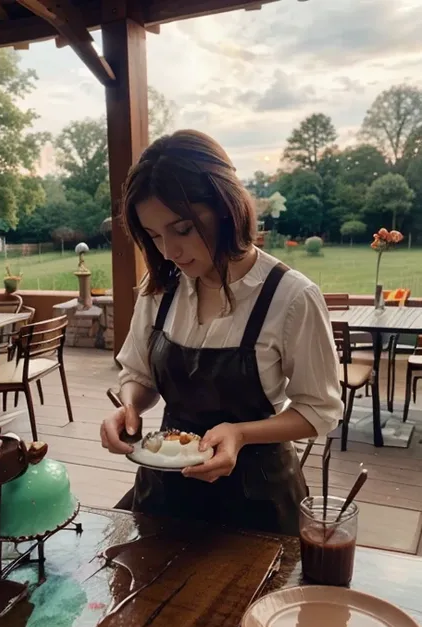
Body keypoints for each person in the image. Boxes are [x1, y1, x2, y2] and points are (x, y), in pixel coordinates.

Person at [100, 130, 343, 535]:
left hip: (258, 503)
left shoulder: (291, 296)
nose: (168, 252)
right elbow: (140, 376)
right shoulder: (161, 288)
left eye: (181, 229)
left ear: (226, 207)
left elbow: (319, 410)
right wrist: (129, 407)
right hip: (164, 493)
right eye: (154, 236)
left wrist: (241, 433)